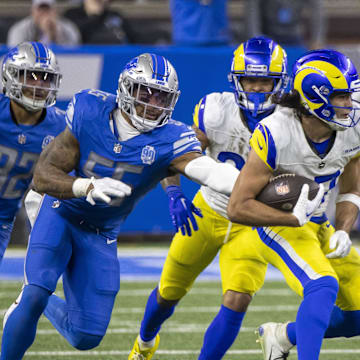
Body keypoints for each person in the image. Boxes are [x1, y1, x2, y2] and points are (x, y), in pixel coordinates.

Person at [0, 52, 240, 359]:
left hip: (101, 231)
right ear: (126, 88)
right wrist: (84, 186)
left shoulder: (172, 137)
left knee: (85, 335)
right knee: (37, 289)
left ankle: (39, 299)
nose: (153, 103)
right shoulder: (90, 110)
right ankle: (32, 300)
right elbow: (43, 177)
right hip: (62, 212)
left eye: (161, 97)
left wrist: (254, 185)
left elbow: (210, 171)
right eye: (146, 93)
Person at [128, 36, 289, 360]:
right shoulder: (216, 111)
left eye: (264, 81)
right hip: (209, 211)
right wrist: (174, 192)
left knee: (238, 297)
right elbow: (175, 154)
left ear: (280, 84)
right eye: (250, 80)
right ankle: (144, 343)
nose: (257, 88)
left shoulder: (291, 122)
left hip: (251, 223)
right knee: (168, 293)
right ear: (236, 80)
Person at [227, 49, 360, 360]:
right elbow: (237, 206)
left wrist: (342, 229)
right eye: (341, 96)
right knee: (323, 285)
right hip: (277, 222)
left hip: (317, 224)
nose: (349, 104)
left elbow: (351, 190)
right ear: (316, 97)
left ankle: (282, 336)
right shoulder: (276, 132)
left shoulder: (352, 128)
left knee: (357, 315)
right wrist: (291, 218)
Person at [0, 41, 65, 265]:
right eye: (31, 76)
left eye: (46, 78)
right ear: (11, 75)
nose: (40, 85)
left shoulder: (60, 127)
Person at [245, 0, 327, 49]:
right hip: (267, 33)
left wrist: (317, 39)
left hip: (294, 35)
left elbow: (317, 9)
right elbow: (252, 10)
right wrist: (255, 39)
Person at [7, 0, 80, 47]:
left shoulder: (68, 28)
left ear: (54, 11)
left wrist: (53, 34)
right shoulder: (20, 29)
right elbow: (16, 53)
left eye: (47, 9)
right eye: (40, 9)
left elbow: (73, 53)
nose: (44, 14)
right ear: (33, 11)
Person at [63, 0, 136, 45]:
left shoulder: (114, 15)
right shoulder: (72, 14)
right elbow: (75, 36)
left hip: (115, 55)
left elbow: (133, 39)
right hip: (85, 58)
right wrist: (95, 15)